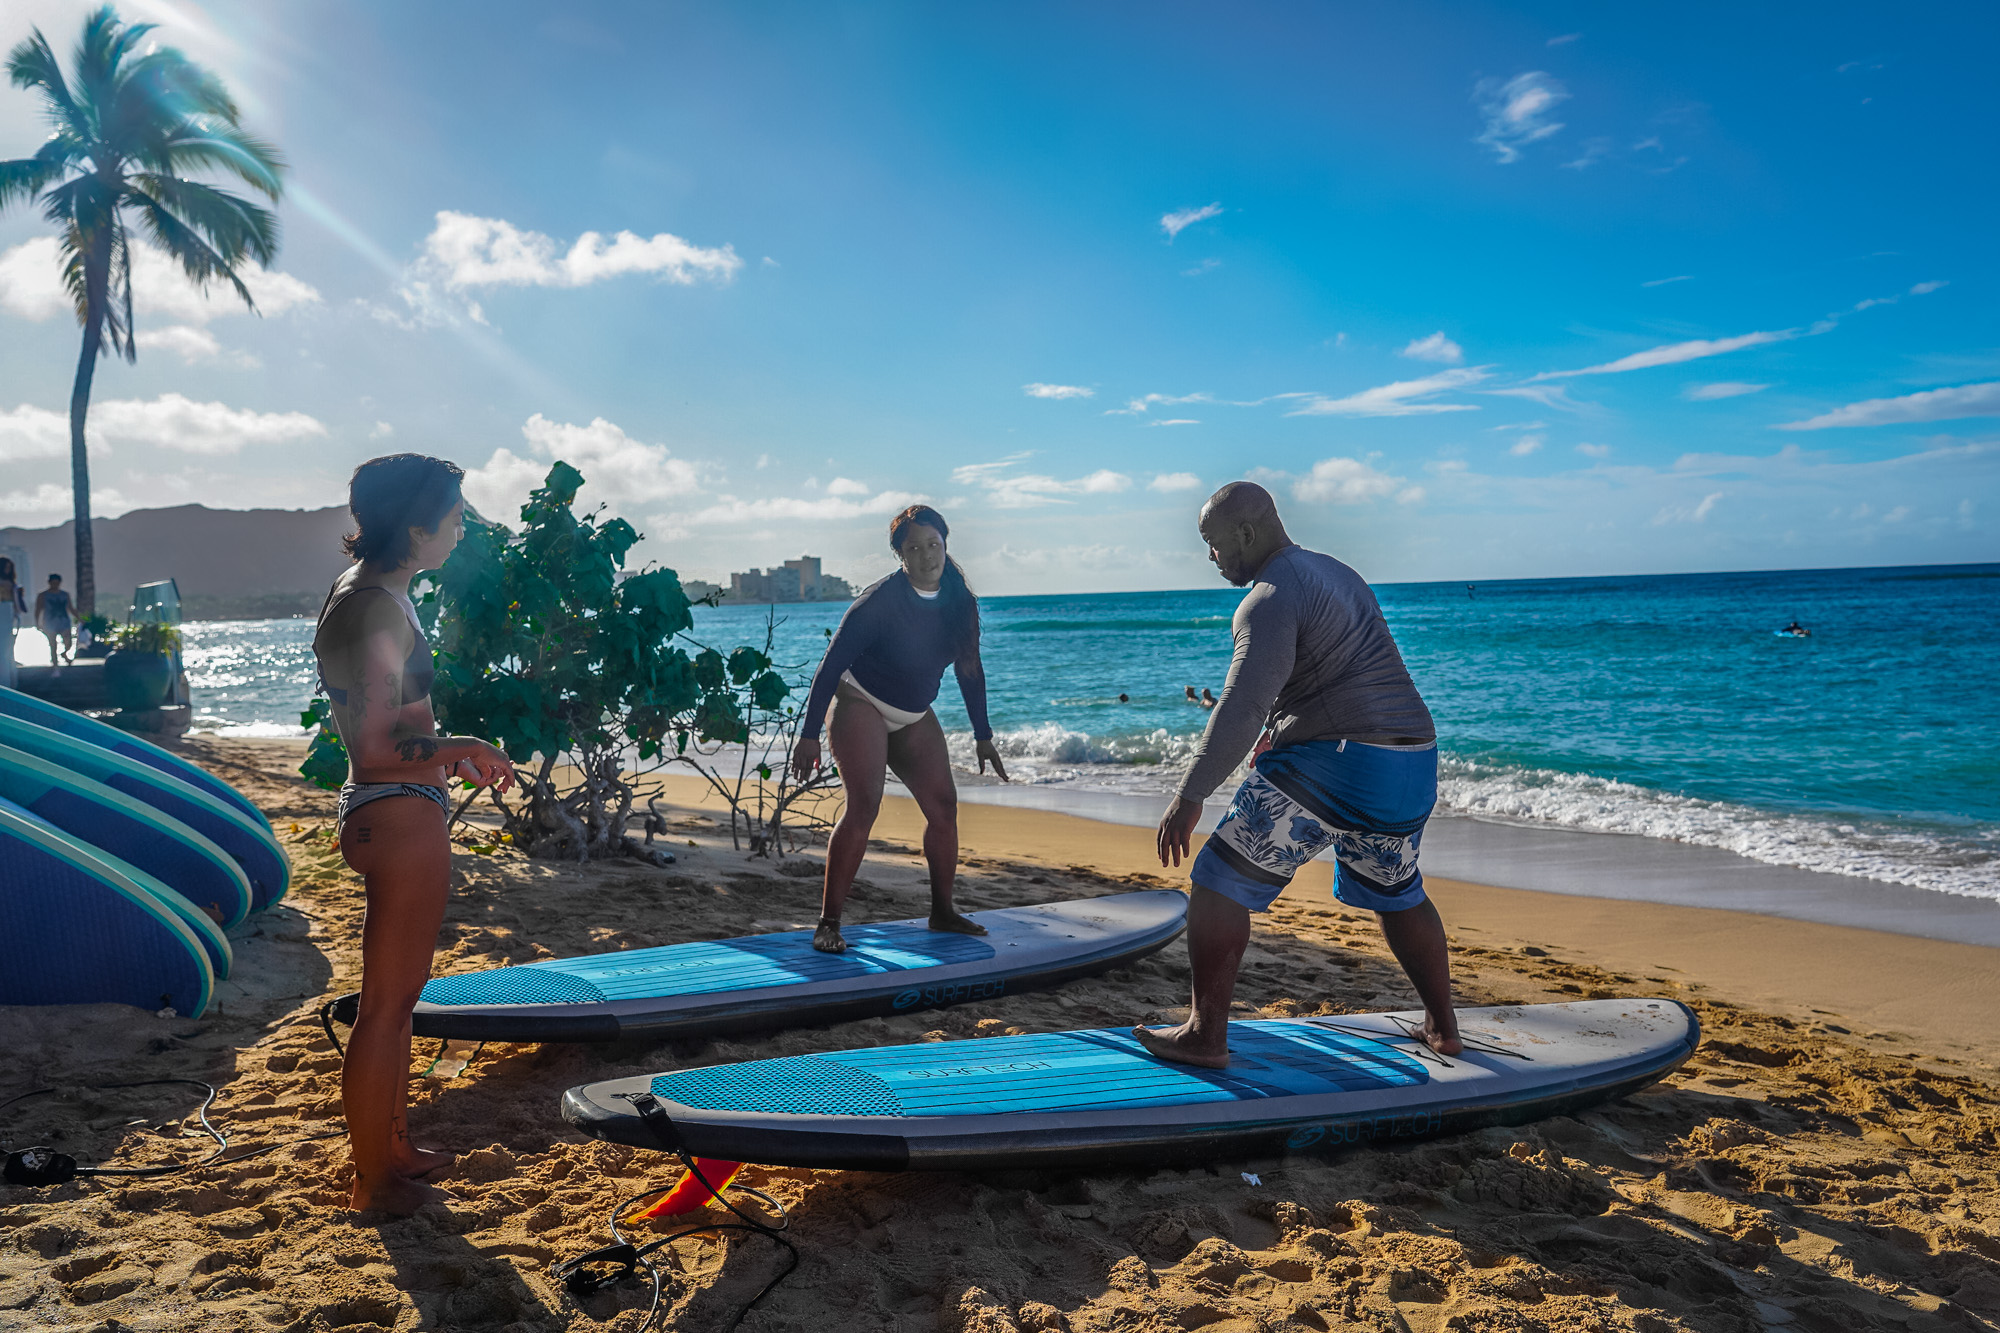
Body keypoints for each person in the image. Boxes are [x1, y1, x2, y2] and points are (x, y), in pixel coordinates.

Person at [1137, 481, 1460, 1068]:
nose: (1211, 557)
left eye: (1213, 543)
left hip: (1340, 762)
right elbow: (1337, 680)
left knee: (1217, 881)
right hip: (1412, 759)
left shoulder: (1268, 597)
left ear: (1247, 532)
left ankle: (1205, 1036)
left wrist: (1190, 795)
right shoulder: (1337, 573)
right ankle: (1444, 1028)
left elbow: (1242, 704)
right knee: (1399, 892)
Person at [311, 453, 516, 1215]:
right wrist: (462, 747)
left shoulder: (374, 592)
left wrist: (444, 753)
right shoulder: (372, 605)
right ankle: (373, 1181)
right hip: (394, 808)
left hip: (392, 804)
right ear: (419, 526)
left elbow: (389, 727)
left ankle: (391, 1144)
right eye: (456, 517)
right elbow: (375, 743)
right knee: (387, 1006)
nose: (464, 529)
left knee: (400, 1000)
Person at [790, 505, 1009, 954]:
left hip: (913, 714)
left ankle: (942, 912)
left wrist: (982, 734)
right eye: (915, 548)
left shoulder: (960, 602)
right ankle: (828, 922)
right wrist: (809, 734)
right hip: (860, 703)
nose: (927, 556)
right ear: (900, 555)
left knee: (944, 805)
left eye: (934, 545)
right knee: (865, 805)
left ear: (946, 545)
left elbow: (970, 669)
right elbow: (830, 668)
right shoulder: (879, 603)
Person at [33, 574, 73, 669]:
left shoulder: (65, 594)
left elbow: (71, 608)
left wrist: (80, 619)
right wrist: (37, 623)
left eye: (57, 583)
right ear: (49, 582)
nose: (55, 584)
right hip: (49, 623)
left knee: (69, 642)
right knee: (53, 644)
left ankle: (64, 654)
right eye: (53, 582)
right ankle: (55, 665)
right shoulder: (42, 595)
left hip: (64, 621)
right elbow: (38, 609)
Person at [0, 558, 23, 689]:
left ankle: (7, 680)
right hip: (4, 612)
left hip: (8, 614)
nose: (7, 570)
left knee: (7, 646)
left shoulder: (12, 584)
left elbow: (16, 604)